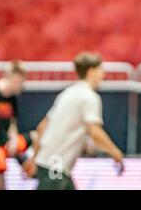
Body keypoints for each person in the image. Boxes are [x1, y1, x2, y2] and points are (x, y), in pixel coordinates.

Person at [32, 52, 124, 190]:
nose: (103, 75)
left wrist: (34, 157)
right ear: (92, 71)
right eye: (100, 70)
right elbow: (95, 132)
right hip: (56, 165)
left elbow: (42, 126)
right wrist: (115, 152)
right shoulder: (89, 97)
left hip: (48, 161)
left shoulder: (67, 93)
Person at [0, 61, 28, 190]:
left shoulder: (11, 99)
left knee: (33, 139)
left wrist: (13, 138)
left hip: (5, 142)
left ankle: (35, 172)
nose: (23, 85)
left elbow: (12, 122)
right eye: (21, 81)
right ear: (15, 77)